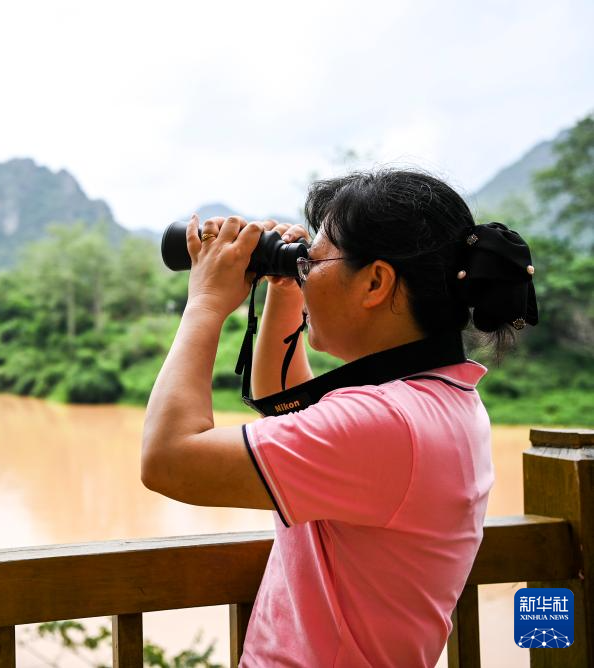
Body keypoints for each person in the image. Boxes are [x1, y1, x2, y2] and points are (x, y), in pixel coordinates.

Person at [141, 169, 538, 667]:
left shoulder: (387, 422)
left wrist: (204, 302)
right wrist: (288, 289)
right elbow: (288, 408)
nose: (305, 271)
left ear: (375, 281)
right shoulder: (440, 400)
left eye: (316, 260)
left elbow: (168, 460)